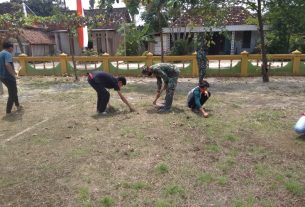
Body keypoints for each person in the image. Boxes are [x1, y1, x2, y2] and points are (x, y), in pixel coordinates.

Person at [0, 41, 23, 115]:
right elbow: (7, 65)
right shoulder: (8, 54)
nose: (13, 49)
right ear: (10, 48)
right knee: (12, 93)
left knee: (13, 90)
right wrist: (14, 74)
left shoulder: (1, 53)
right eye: (12, 48)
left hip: (2, 76)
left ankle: (18, 106)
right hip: (8, 76)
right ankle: (8, 111)